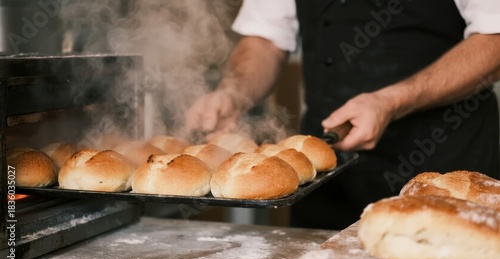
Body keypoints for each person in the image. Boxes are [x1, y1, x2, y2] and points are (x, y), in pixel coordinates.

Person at [185, 0, 500, 230]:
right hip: (328, 175)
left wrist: (393, 99)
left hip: (444, 169)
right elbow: (264, 39)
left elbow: (494, 37)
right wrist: (234, 91)